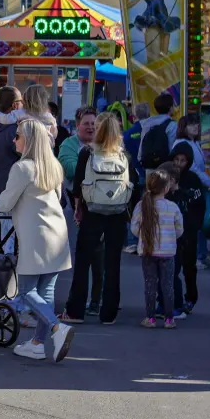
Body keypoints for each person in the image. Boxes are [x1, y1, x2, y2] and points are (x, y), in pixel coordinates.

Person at [1, 118, 75, 362]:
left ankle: (56, 327)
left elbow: (5, 203)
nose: (14, 140)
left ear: (29, 140)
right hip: (57, 234)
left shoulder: (22, 168)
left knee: (26, 290)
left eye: (18, 136)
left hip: (36, 236)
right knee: (46, 292)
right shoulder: (53, 165)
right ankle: (38, 343)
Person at [63, 113, 138, 324]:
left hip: (92, 212)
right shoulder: (124, 156)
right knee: (112, 264)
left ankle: (76, 310)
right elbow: (134, 184)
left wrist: (78, 207)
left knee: (83, 261)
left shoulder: (87, 153)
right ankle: (109, 313)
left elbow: (78, 183)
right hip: (117, 213)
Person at [133, 169, 184, 327]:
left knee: (150, 285)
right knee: (167, 285)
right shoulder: (172, 207)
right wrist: (171, 237)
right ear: (166, 188)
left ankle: (150, 318)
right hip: (168, 252)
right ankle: (169, 319)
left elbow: (134, 228)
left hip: (148, 251)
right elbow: (179, 229)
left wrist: (143, 236)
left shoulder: (142, 206)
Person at [168, 141, 208, 316]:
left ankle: (191, 297)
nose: (179, 164)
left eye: (182, 160)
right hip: (170, 231)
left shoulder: (193, 179)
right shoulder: (167, 177)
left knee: (189, 266)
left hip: (189, 230)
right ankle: (172, 299)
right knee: (172, 266)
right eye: (176, 159)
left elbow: (199, 204)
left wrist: (194, 226)